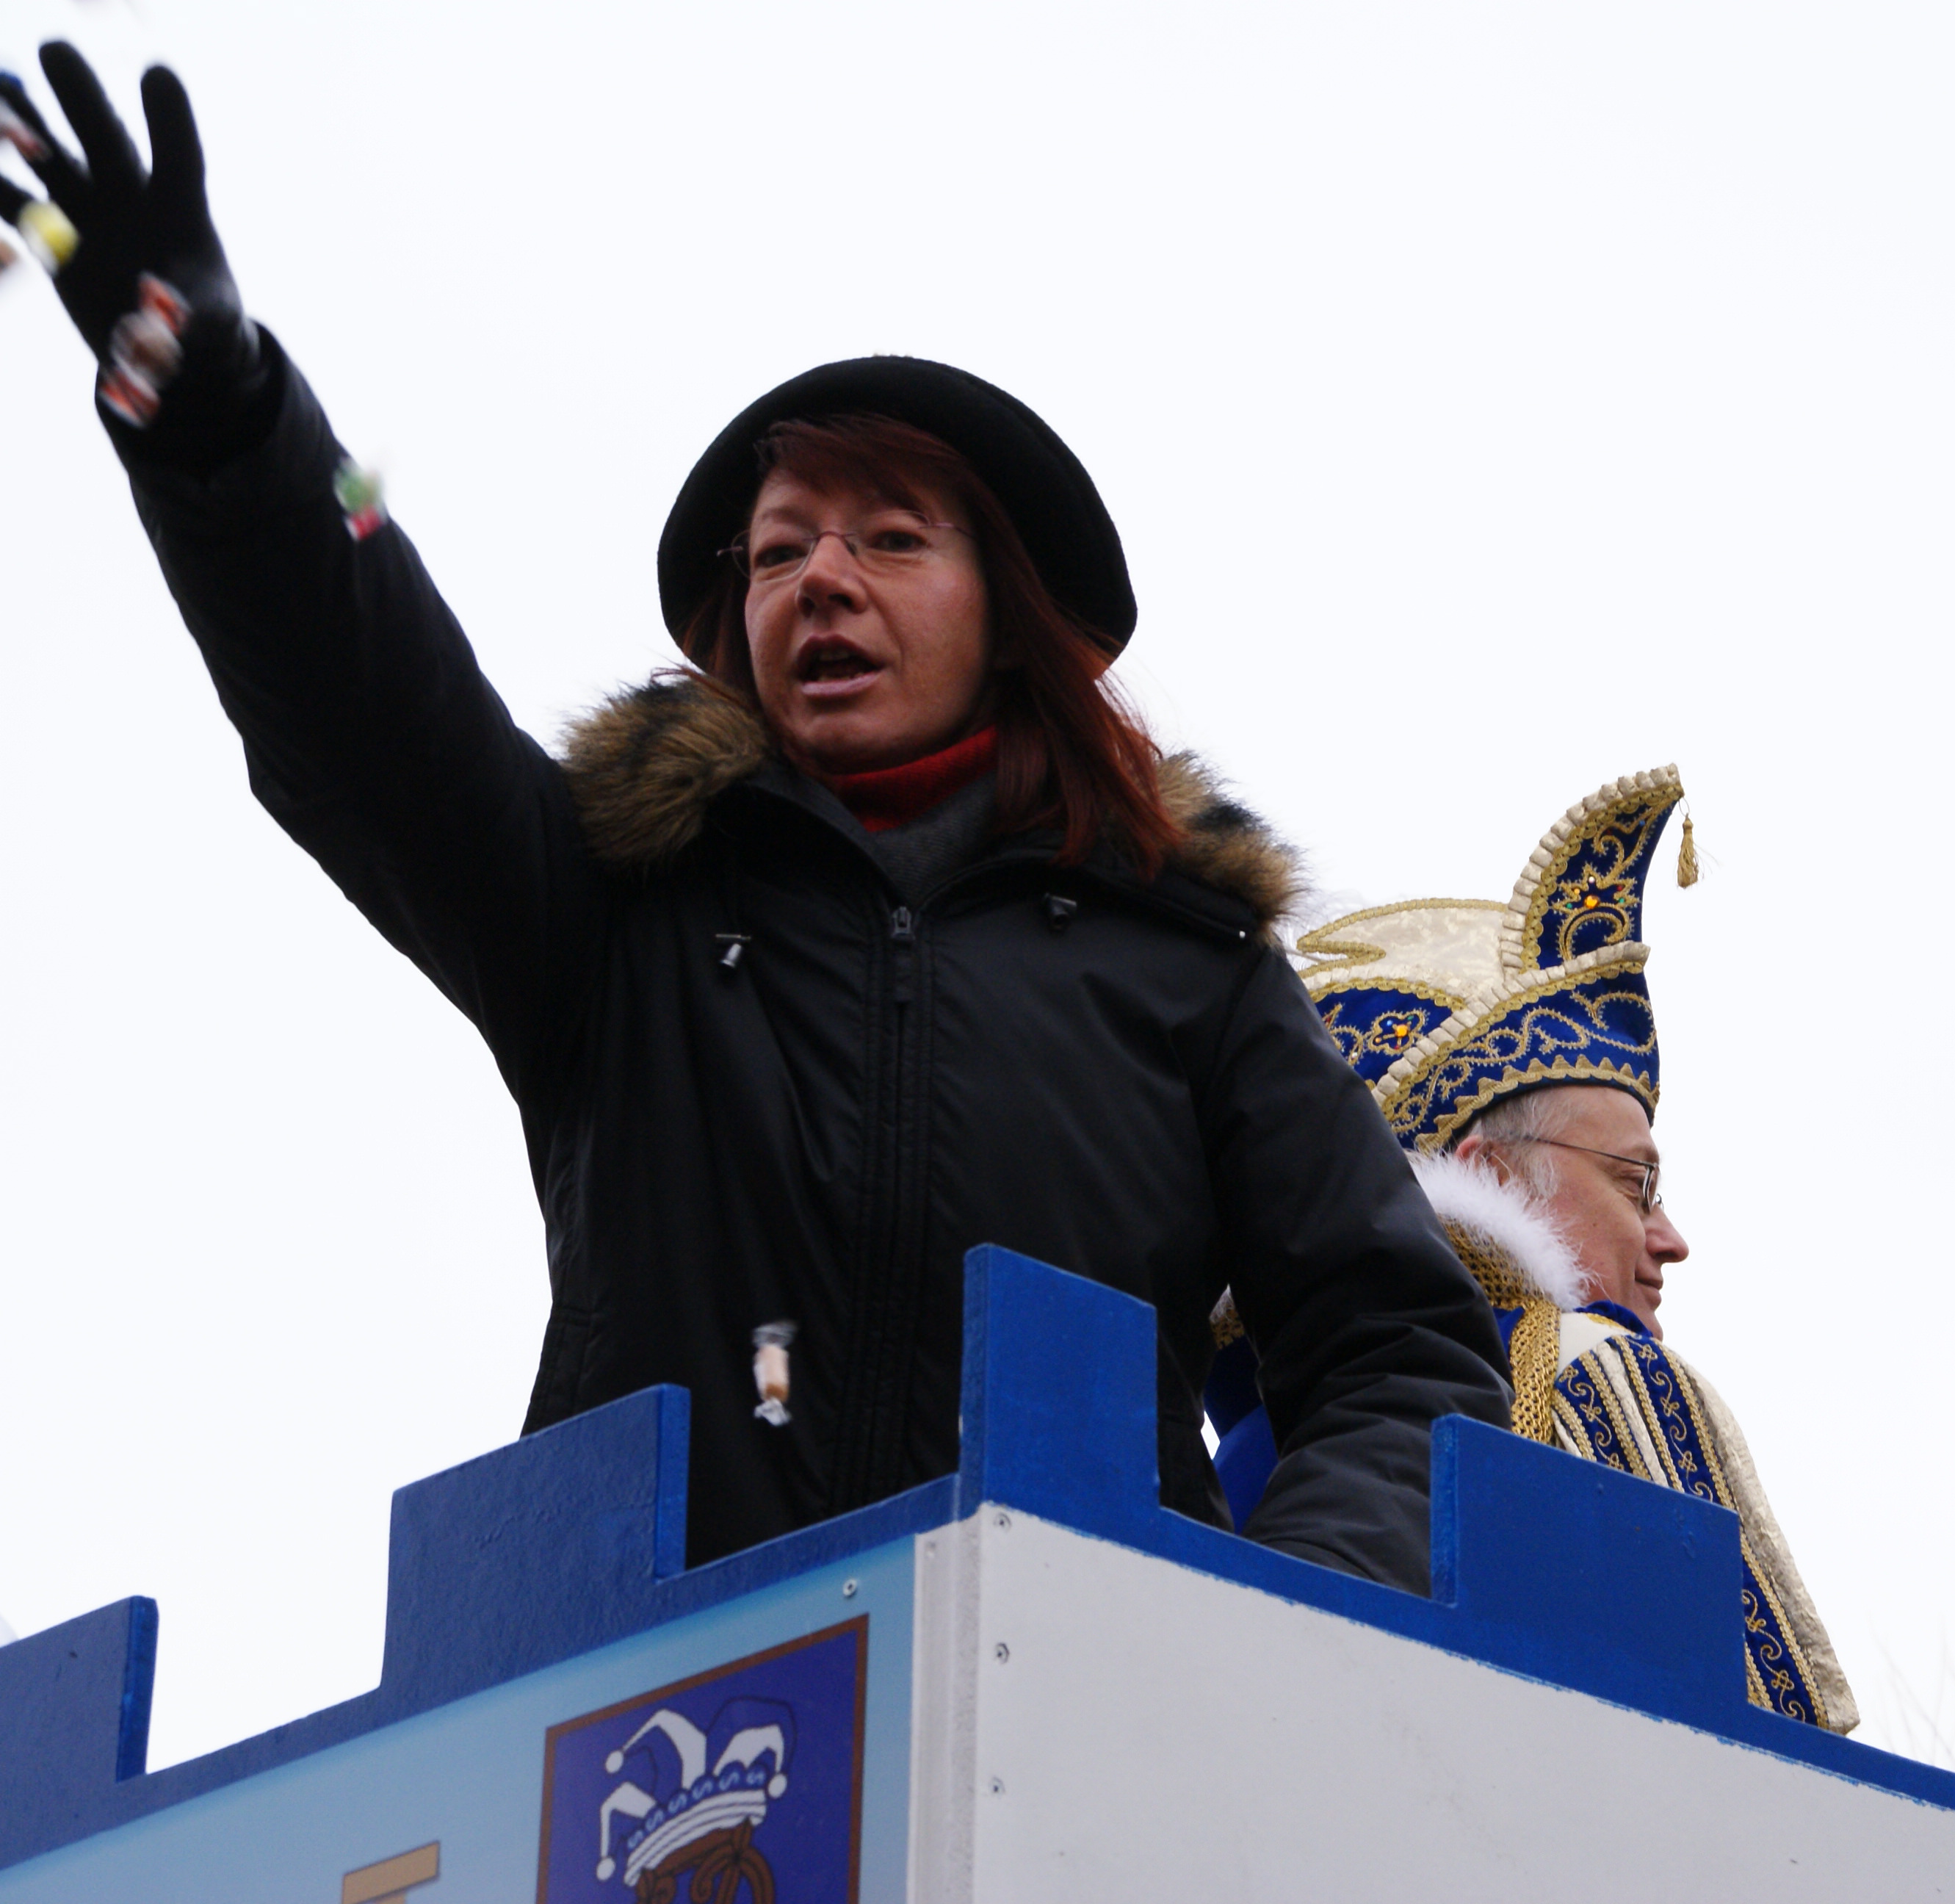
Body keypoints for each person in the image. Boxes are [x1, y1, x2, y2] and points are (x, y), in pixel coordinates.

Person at [0, 47, 1510, 1590]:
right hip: (647, 1712)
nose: (821, 580)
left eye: (891, 539)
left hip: (1069, 1702)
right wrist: (232, 423)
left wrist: (1260, 1636)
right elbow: (369, 714)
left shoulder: (1191, 961)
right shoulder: (614, 907)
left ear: (1008, 621)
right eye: (780, 552)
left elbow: (1399, 1355)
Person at [1207, 767, 1859, 1731]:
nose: (1670, 1240)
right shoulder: (1594, 1374)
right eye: (1635, 1185)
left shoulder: (1228, 1461)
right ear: (1494, 1181)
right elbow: (1784, 1773)